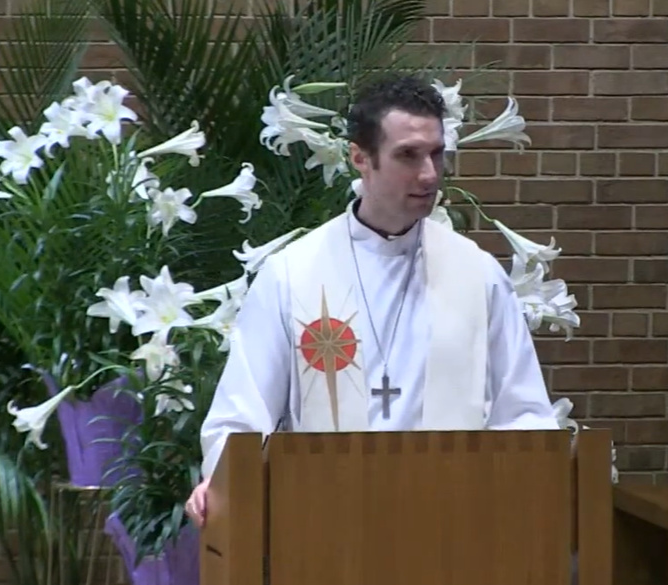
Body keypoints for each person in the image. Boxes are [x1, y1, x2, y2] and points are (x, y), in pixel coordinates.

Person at [184, 74, 557, 528]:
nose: (429, 174)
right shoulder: (292, 275)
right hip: (324, 531)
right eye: (408, 155)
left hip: (451, 528)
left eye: (437, 153)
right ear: (360, 158)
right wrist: (224, 485)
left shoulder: (478, 275)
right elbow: (241, 418)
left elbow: (524, 417)